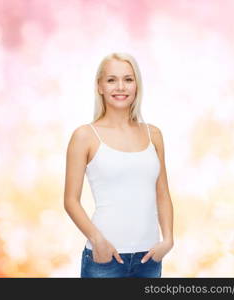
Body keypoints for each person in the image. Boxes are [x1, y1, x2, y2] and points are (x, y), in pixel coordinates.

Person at [64, 52, 174, 278]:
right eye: (111, 80)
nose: (120, 87)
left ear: (137, 86)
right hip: (105, 259)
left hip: (149, 259)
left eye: (128, 79)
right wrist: (97, 240)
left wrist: (168, 239)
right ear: (100, 86)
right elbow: (70, 200)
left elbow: (162, 193)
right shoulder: (85, 136)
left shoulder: (153, 134)